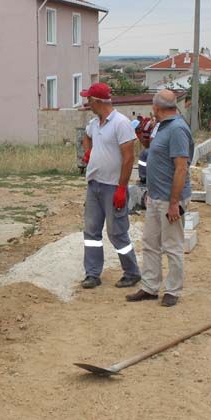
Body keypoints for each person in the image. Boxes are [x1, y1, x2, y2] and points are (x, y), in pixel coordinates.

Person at [126, 89, 193, 307]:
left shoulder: (177, 129)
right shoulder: (162, 126)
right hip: (155, 197)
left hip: (169, 199)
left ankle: (172, 290)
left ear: (156, 108)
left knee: (172, 246)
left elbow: (181, 168)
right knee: (150, 243)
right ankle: (150, 287)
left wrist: (174, 203)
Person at [79, 82, 141, 289]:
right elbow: (86, 136)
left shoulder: (121, 123)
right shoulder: (94, 123)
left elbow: (128, 157)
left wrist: (122, 188)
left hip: (113, 187)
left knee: (116, 232)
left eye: (89, 99)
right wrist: (89, 152)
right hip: (94, 185)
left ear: (97, 101)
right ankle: (92, 274)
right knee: (91, 232)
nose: (87, 103)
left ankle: (132, 272)